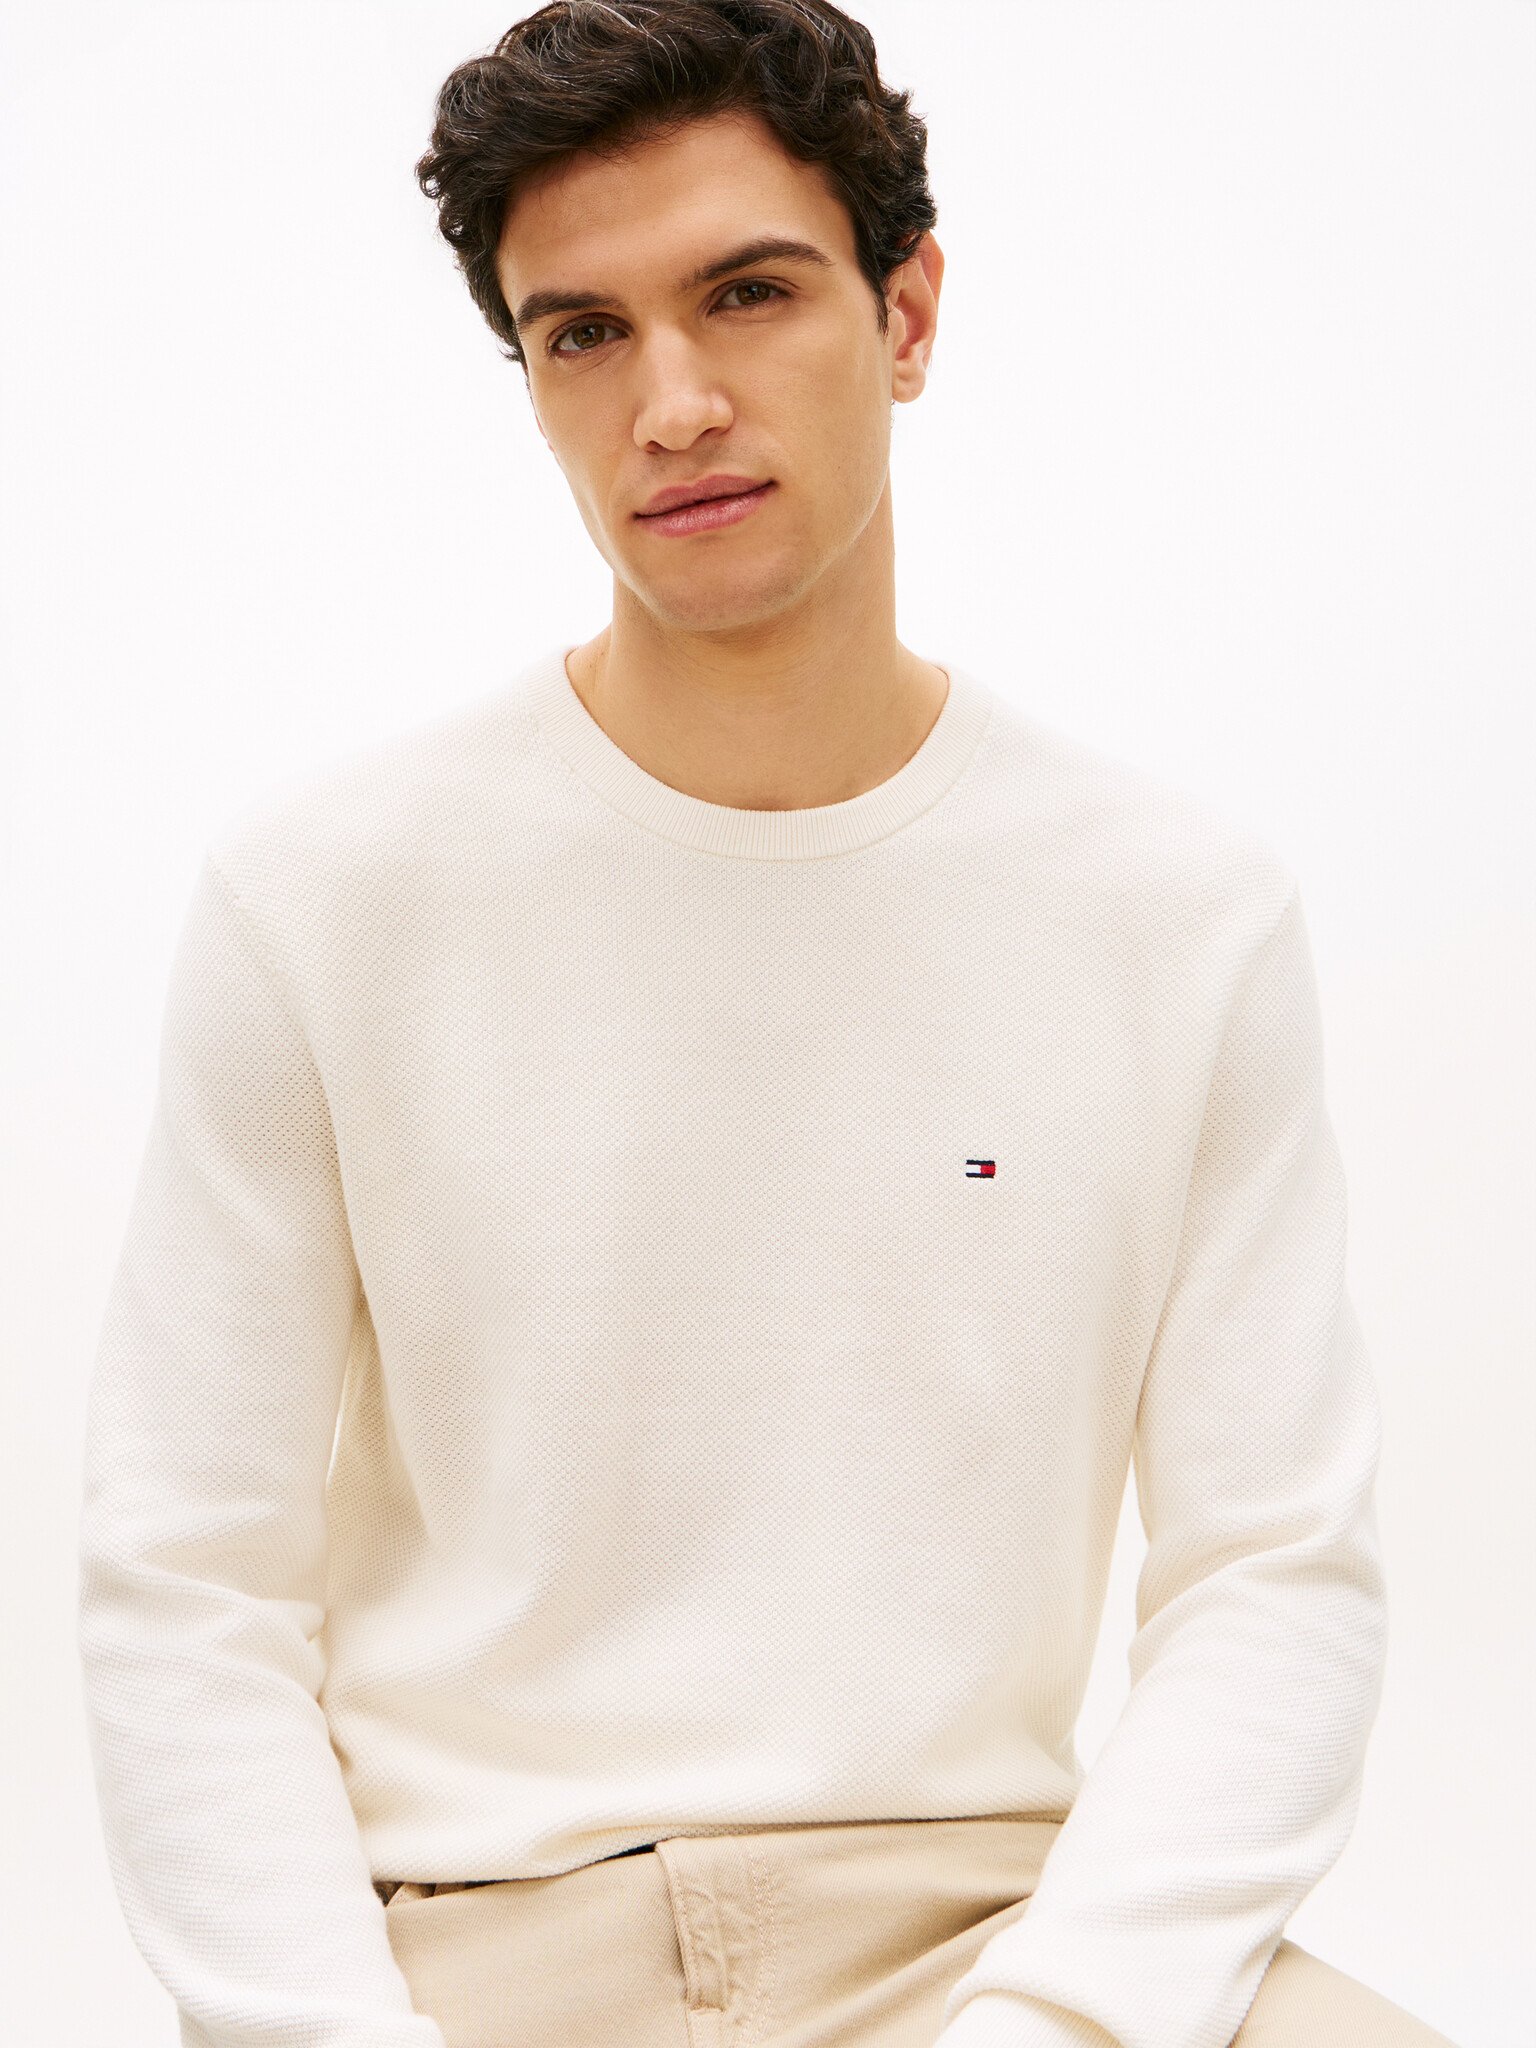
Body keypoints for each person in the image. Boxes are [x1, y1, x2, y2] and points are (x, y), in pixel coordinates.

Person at [75, 4, 1458, 2046]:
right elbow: (188, 1581)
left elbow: (1273, 1574)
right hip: (481, 1941)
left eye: (748, 293)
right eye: (585, 333)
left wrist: (1062, 2020)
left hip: (986, 1923)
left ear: (907, 314)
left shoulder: (1176, 918)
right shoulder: (328, 901)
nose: (676, 404)